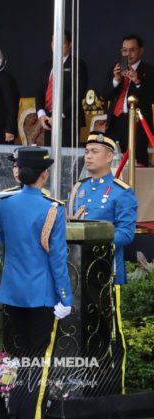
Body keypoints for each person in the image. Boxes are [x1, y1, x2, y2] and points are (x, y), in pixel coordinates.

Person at [0, 147, 73, 419]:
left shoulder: (5, 204)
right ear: (43, 175)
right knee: (37, 364)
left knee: (20, 359)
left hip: (13, 293)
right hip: (41, 296)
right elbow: (57, 258)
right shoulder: (52, 209)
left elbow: (2, 245)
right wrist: (65, 296)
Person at [68, 132, 137, 394]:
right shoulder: (79, 188)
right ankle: (80, 382)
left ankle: (110, 386)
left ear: (109, 157)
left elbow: (126, 233)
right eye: (87, 151)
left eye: (94, 151)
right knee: (78, 329)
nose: (88, 156)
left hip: (105, 273)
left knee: (109, 332)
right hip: (77, 270)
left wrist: (97, 243)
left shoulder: (121, 192)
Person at [102, 34, 153, 166]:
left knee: (136, 163)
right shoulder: (115, 69)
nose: (128, 54)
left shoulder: (149, 71)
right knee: (113, 163)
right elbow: (105, 96)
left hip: (137, 124)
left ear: (141, 50)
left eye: (132, 50)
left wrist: (137, 81)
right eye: (125, 50)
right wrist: (116, 80)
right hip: (115, 122)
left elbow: (150, 98)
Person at [35, 31, 88, 147]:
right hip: (48, 120)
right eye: (54, 42)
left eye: (62, 42)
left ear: (70, 44)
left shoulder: (78, 64)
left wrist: (60, 114)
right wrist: (41, 114)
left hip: (69, 120)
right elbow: (39, 92)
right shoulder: (46, 66)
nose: (57, 46)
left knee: (66, 155)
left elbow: (79, 93)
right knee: (50, 154)